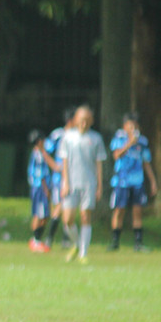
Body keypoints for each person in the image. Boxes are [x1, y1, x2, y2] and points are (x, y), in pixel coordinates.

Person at [59, 105, 107, 264]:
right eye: (81, 120)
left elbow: (99, 164)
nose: (84, 123)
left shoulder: (96, 139)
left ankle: (83, 253)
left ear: (91, 121)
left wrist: (99, 186)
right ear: (75, 120)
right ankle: (77, 244)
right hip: (71, 183)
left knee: (86, 216)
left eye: (87, 120)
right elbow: (64, 162)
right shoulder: (68, 137)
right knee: (68, 219)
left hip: (89, 183)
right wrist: (65, 183)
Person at [107, 112, 158, 252]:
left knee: (137, 211)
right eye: (130, 125)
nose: (133, 128)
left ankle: (138, 242)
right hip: (121, 181)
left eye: (135, 126)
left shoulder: (142, 142)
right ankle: (115, 241)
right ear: (124, 126)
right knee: (119, 210)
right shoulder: (119, 138)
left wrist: (152, 181)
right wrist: (129, 143)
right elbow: (116, 155)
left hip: (137, 181)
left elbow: (146, 162)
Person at [42, 106, 76, 249]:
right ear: (70, 120)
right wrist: (54, 166)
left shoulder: (78, 136)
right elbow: (44, 150)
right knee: (60, 205)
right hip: (59, 178)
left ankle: (64, 239)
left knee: (69, 207)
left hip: (74, 177)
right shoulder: (58, 135)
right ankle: (51, 238)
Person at [26, 129, 52, 253]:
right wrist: (46, 189)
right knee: (40, 214)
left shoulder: (35, 153)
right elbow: (40, 174)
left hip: (37, 187)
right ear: (40, 141)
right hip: (40, 187)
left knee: (42, 214)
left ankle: (36, 240)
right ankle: (36, 240)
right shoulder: (39, 155)